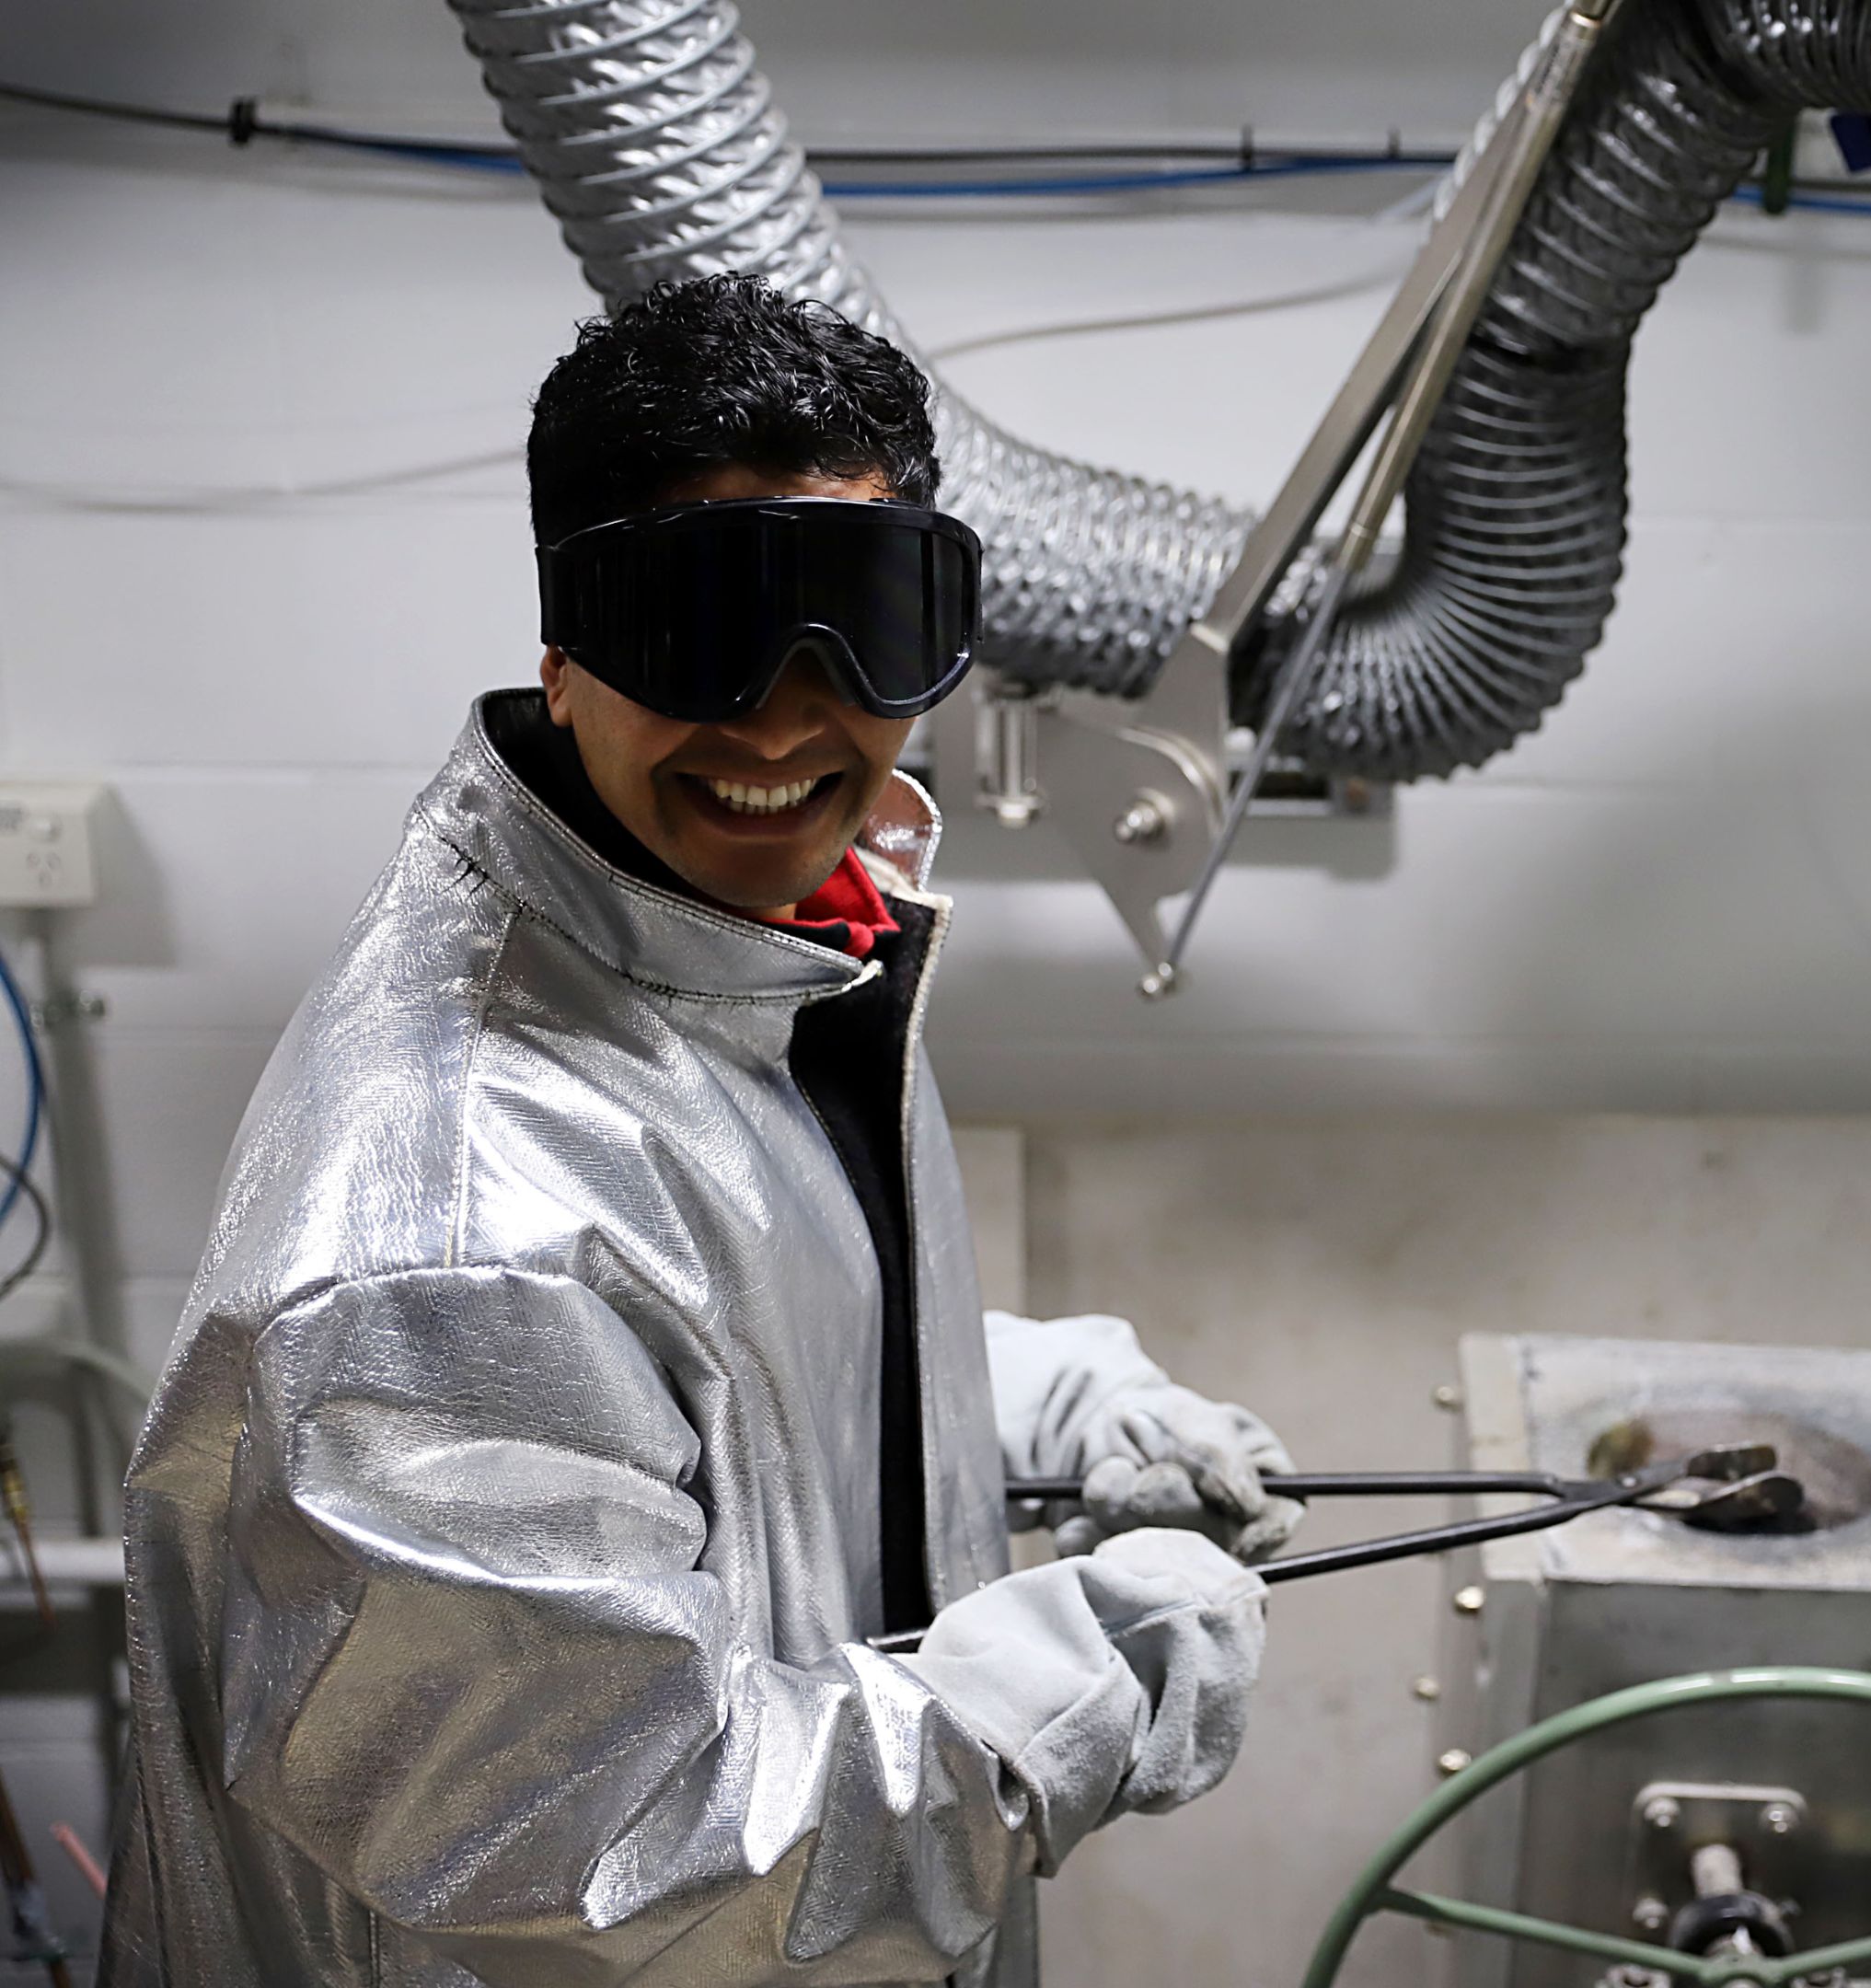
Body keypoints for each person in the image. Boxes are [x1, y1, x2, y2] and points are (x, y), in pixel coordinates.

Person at [100, 274, 1301, 1986]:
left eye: (861, 622)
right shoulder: (450, 1244)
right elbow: (618, 1856)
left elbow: (723, 1358)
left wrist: (1040, 1401)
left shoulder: (743, 958)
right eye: (697, 627)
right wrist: (1064, 1702)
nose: (786, 720)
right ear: (563, 654)